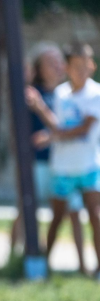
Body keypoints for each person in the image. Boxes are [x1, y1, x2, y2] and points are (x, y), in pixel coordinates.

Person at [27, 42, 100, 277]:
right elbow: (58, 125)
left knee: (95, 215)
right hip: (63, 168)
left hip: (88, 165)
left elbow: (84, 129)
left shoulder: (95, 94)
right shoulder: (60, 94)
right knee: (57, 218)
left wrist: (53, 134)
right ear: (67, 69)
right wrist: (40, 110)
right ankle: (43, 265)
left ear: (92, 66)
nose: (81, 71)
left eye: (84, 66)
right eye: (75, 66)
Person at [15, 45, 85, 262]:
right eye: (50, 62)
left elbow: (70, 129)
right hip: (39, 162)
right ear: (38, 68)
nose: (57, 66)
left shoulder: (67, 94)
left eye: (58, 61)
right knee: (27, 209)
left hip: (63, 163)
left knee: (73, 212)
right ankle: (17, 255)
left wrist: (52, 136)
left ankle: (82, 263)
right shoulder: (32, 94)